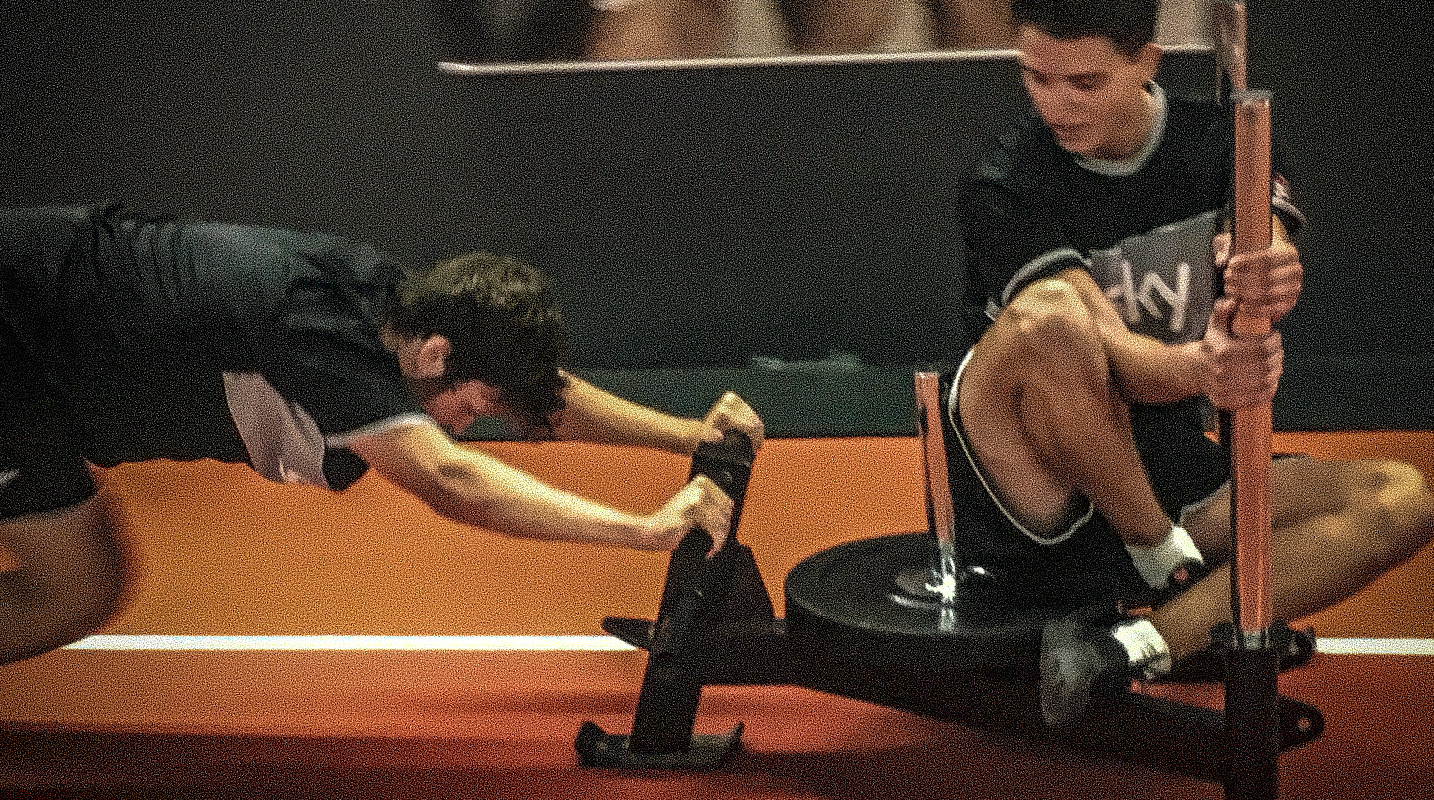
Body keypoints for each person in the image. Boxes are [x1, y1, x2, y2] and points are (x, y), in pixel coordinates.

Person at [0, 202, 763, 664]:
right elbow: (451, 481)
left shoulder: (401, 307)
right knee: (78, 587)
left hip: (41, 369)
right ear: (437, 358)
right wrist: (644, 531)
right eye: (473, 408)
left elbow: (538, 400)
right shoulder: (315, 333)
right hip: (15, 357)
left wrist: (691, 435)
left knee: (83, 580)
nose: (470, 425)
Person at [949, 0, 1434, 726]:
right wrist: (1205, 370)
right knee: (1055, 324)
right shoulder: (1005, 184)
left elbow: (1263, 235)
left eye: (1083, 83)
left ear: (1147, 61)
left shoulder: (1223, 144)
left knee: (1403, 497)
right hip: (1039, 476)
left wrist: (1271, 268)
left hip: (1164, 463)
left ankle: (1135, 647)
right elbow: (1112, 359)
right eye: (1035, 78)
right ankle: (1163, 563)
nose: (1055, 105)